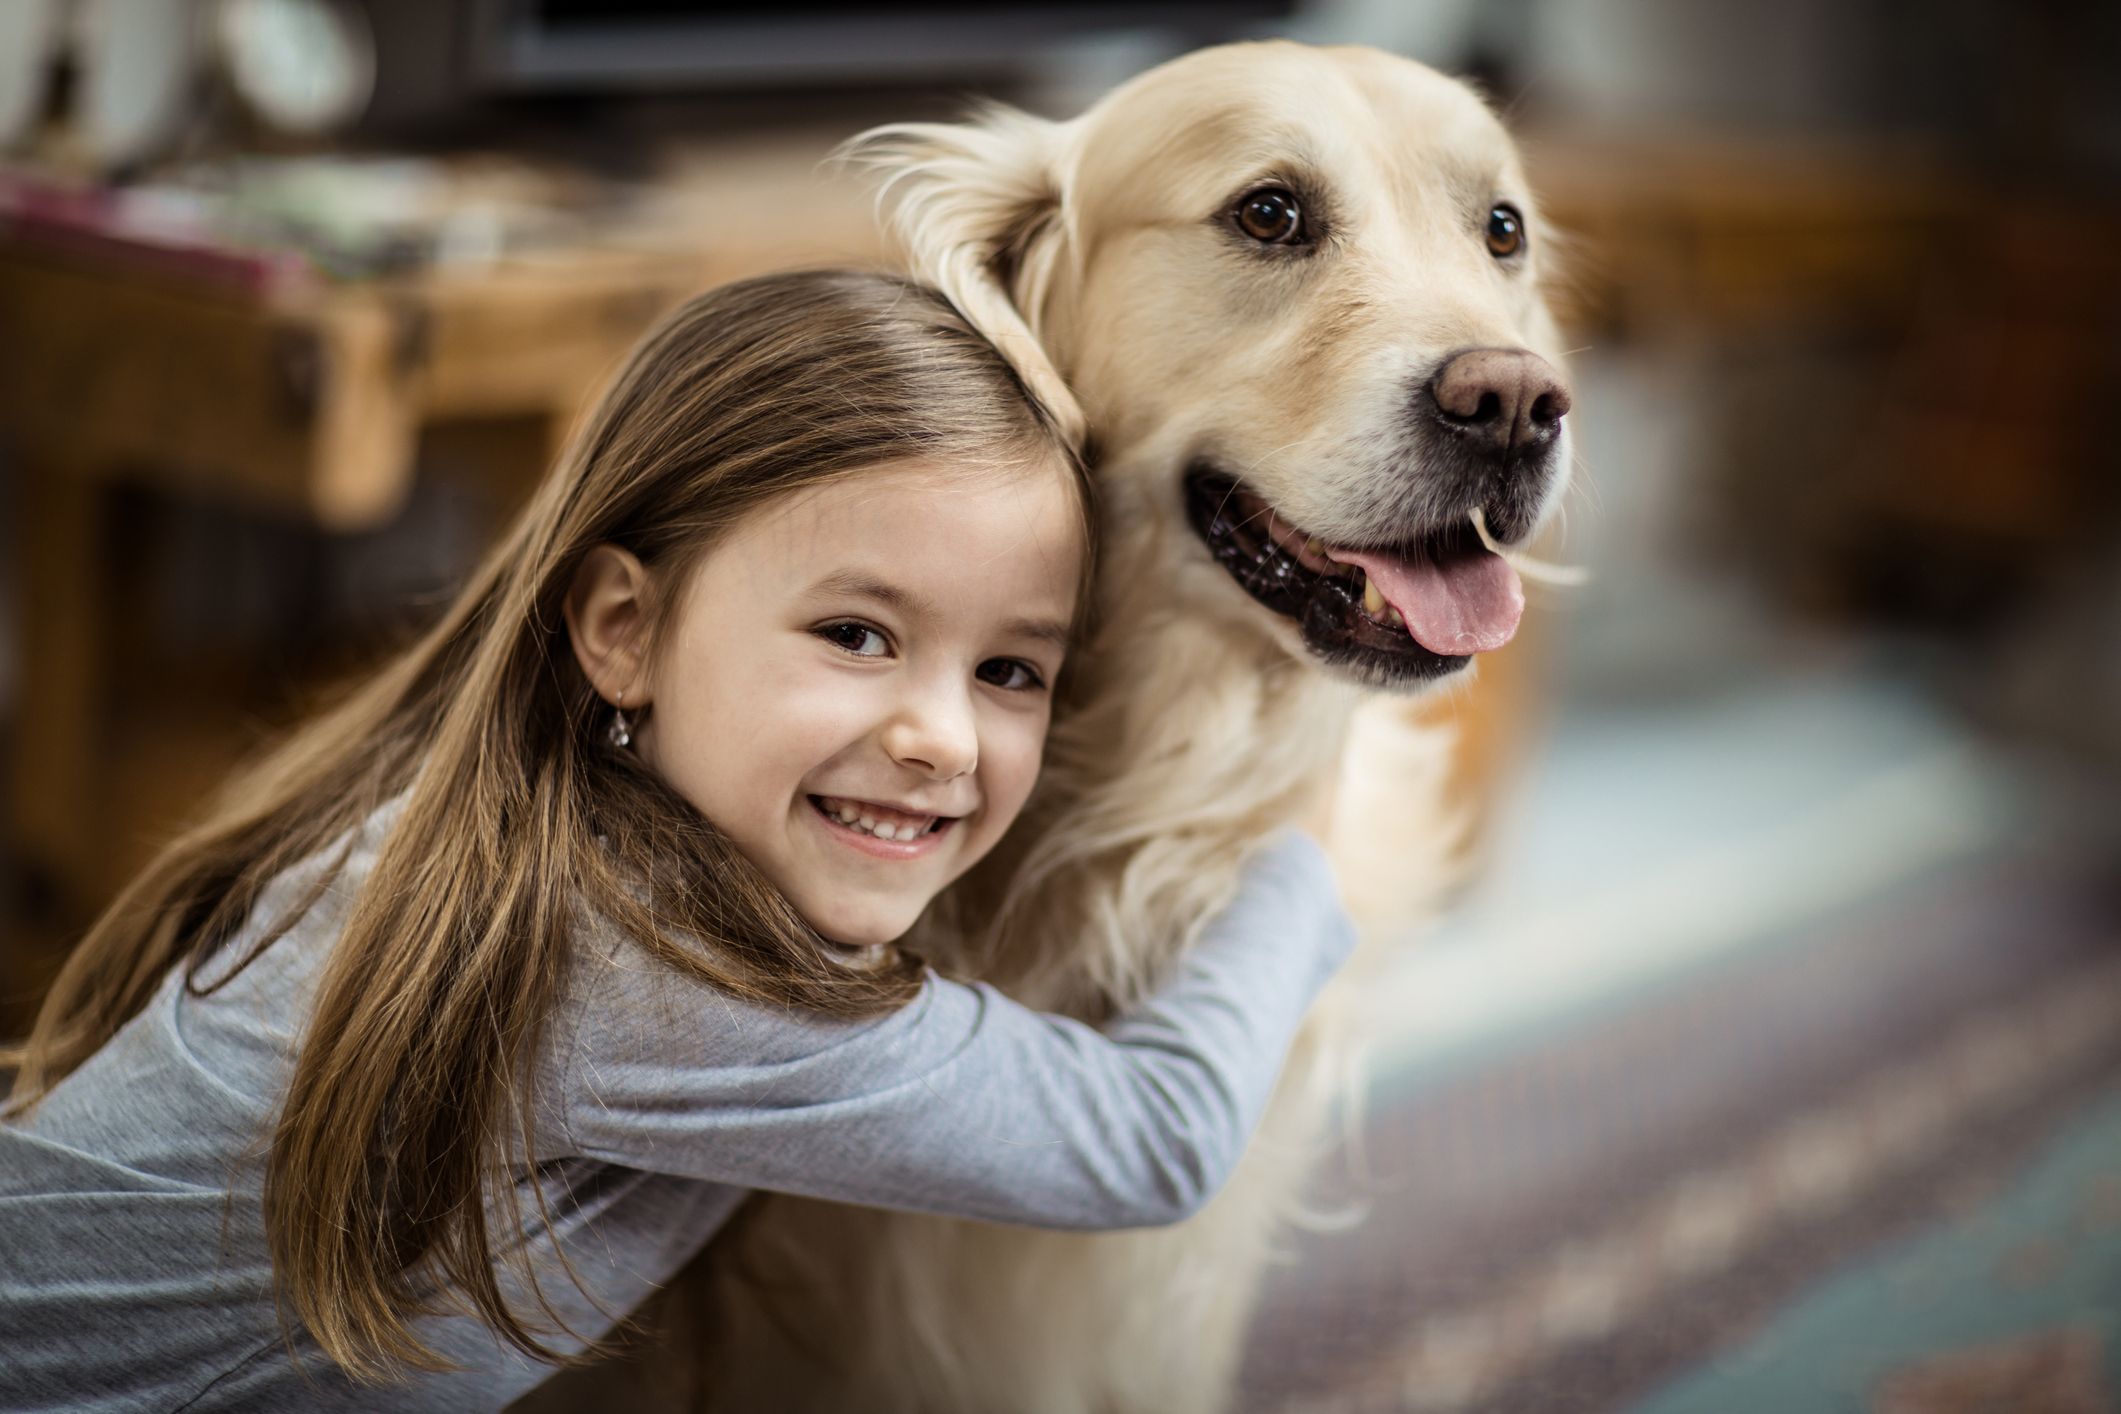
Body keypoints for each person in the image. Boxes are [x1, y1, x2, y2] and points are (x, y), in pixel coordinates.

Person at [0, 271, 1355, 1411]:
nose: (942, 735)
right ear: (622, 629)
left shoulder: (512, 816)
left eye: (1010, 669)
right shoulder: (656, 959)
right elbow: (1151, 1136)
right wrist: (1297, 834)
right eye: (855, 634)